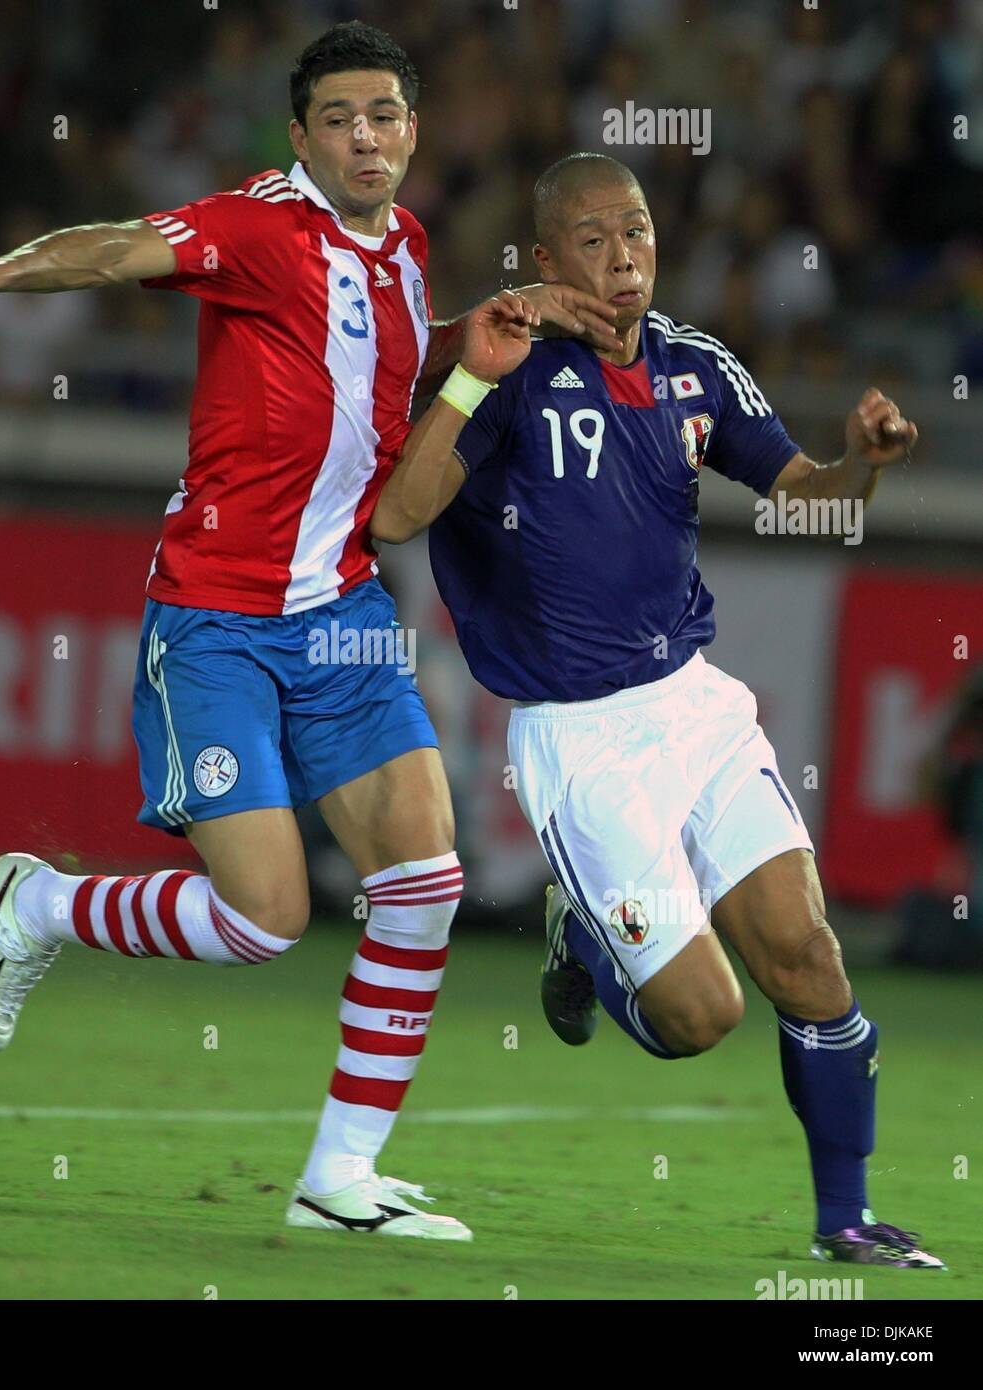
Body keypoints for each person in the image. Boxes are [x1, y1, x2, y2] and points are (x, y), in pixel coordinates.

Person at [0, 23, 617, 1239]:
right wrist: (1, 272)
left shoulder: (406, 253)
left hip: (340, 617)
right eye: (338, 117)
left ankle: (338, 1179)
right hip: (217, 617)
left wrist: (470, 341)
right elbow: (120, 249)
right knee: (261, 920)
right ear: (300, 135)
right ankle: (40, 907)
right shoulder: (254, 224)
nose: (365, 135)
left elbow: (379, 373)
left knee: (423, 881)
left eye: (383, 113)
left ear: (412, 128)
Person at [370, 151, 945, 1269]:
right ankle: (583, 936)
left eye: (632, 229)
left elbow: (809, 502)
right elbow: (396, 515)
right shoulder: (509, 373)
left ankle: (844, 1220)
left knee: (808, 958)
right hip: (575, 737)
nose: (620, 253)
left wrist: (861, 464)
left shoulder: (693, 366)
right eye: (589, 238)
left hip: (693, 708)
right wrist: (469, 376)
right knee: (698, 1019)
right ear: (542, 261)